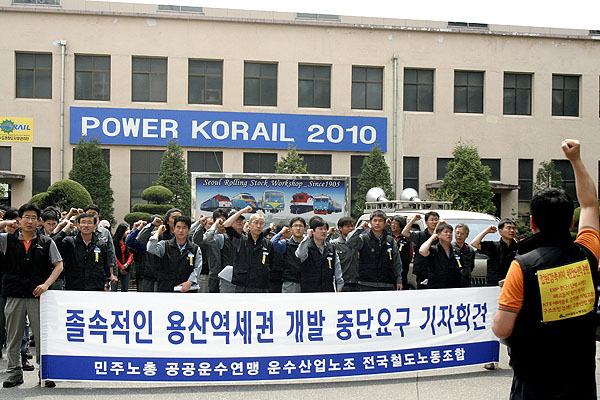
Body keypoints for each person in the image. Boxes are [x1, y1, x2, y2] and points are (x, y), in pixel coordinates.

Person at [493, 139, 600, 399]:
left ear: (532, 223)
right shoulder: (588, 254)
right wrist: (576, 160)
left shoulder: (522, 266)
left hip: (535, 380)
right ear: (571, 221)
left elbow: (502, 329)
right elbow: (589, 205)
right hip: (580, 378)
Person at [0, 204, 63, 388]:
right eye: (26, 217)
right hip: (14, 294)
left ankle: (45, 372)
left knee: (42, 336)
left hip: (38, 296)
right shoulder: (7, 239)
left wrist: (46, 284)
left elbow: (59, 265)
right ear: (19, 220)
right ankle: (14, 372)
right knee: (13, 336)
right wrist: (6, 223)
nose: (29, 221)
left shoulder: (46, 242)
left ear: (39, 221)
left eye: (33, 218)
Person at [347, 210, 403, 291]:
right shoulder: (364, 239)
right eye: (375, 220)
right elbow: (350, 241)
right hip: (366, 283)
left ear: (385, 223)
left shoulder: (390, 240)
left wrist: (399, 280)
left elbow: (397, 262)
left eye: (380, 221)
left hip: (387, 284)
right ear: (370, 222)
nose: (377, 223)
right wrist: (361, 228)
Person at [56, 213, 111, 291]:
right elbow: (54, 244)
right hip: (74, 286)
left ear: (95, 225)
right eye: (83, 222)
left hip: (96, 287)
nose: (86, 225)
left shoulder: (101, 244)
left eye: (89, 222)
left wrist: (106, 283)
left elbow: (106, 265)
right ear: (78, 225)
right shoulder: (70, 242)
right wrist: (64, 230)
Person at [223, 206, 272, 293]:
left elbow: (272, 263)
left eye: (261, 223)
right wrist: (242, 211)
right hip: (243, 285)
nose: (258, 226)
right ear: (249, 224)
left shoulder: (268, 243)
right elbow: (226, 225)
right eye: (256, 222)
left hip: (262, 285)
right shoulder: (240, 239)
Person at [147, 216, 202, 293]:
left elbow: (197, 267)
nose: (181, 231)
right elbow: (150, 248)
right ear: (174, 230)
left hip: (187, 289)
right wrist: (158, 232)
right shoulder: (165, 245)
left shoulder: (195, 248)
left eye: (184, 228)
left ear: (189, 230)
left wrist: (190, 282)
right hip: (166, 289)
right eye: (178, 227)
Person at [296, 216, 343, 292]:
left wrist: (339, 284)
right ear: (313, 231)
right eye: (320, 229)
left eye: (325, 229)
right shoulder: (307, 246)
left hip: (327, 288)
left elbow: (337, 267)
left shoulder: (331, 247)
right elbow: (300, 255)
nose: (323, 231)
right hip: (310, 289)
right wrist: (307, 237)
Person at [471, 218, 518, 287]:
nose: (512, 230)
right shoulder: (493, 246)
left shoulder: (518, 247)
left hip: (513, 283)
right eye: (509, 228)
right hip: (494, 285)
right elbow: (474, 243)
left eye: (513, 228)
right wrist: (487, 231)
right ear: (500, 231)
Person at [402, 211, 440, 289]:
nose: (434, 222)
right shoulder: (420, 235)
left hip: (438, 271)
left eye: (436, 220)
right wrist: (413, 220)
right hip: (423, 271)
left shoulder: (441, 236)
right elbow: (404, 233)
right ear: (426, 223)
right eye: (432, 220)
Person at [419, 223, 462, 289]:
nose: (449, 234)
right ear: (438, 235)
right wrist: (431, 238)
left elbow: (461, 268)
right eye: (446, 232)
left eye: (450, 232)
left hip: (453, 286)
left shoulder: (456, 250)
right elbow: (422, 251)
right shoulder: (434, 250)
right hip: (436, 286)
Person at [126, 215, 163, 292]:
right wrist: (136, 229)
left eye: (159, 226)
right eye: (155, 226)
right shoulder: (144, 243)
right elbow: (129, 241)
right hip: (145, 277)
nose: (157, 229)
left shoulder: (165, 241)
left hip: (161, 277)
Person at [271, 217, 305, 293]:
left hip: (307, 281)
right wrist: (281, 232)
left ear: (305, 228)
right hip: (290, 281)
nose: (298, 228)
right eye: (295, 226)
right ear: (290, 229)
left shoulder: (308, 243)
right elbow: (272, 243)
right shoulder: (286, 243)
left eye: (301, 226)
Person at [332, 217, 360, 292]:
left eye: (352, 226)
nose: (351, 228)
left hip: (357, 284)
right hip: (342, 285)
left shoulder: (359, 242)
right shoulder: (335, 245)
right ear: (340, 228)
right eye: (348, 226)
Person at [389, 216, 412, 289]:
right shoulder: (388, 237)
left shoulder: (407, 239)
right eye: (392, 223)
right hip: (389, 271)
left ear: (401, 226)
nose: (393, 225)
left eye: (396, 223)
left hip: (403, 271)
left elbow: (410, 255)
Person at [452, 223, 475, 287]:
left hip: (466, 282)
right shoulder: (450, 248)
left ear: (467, 235)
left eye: (462, 233)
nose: (459, 236)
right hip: (452, 283)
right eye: (457, 233)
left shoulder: (470, 250)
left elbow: (471, 267)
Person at [112, 223, 132, 292]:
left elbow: (130, 254)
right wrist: (120, 266)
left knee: (125, 289)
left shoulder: (127, 242)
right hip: (116, 268)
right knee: (113, 289)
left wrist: (127, 264)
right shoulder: (114, 242)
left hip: (126, 268)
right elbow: (113, 255)